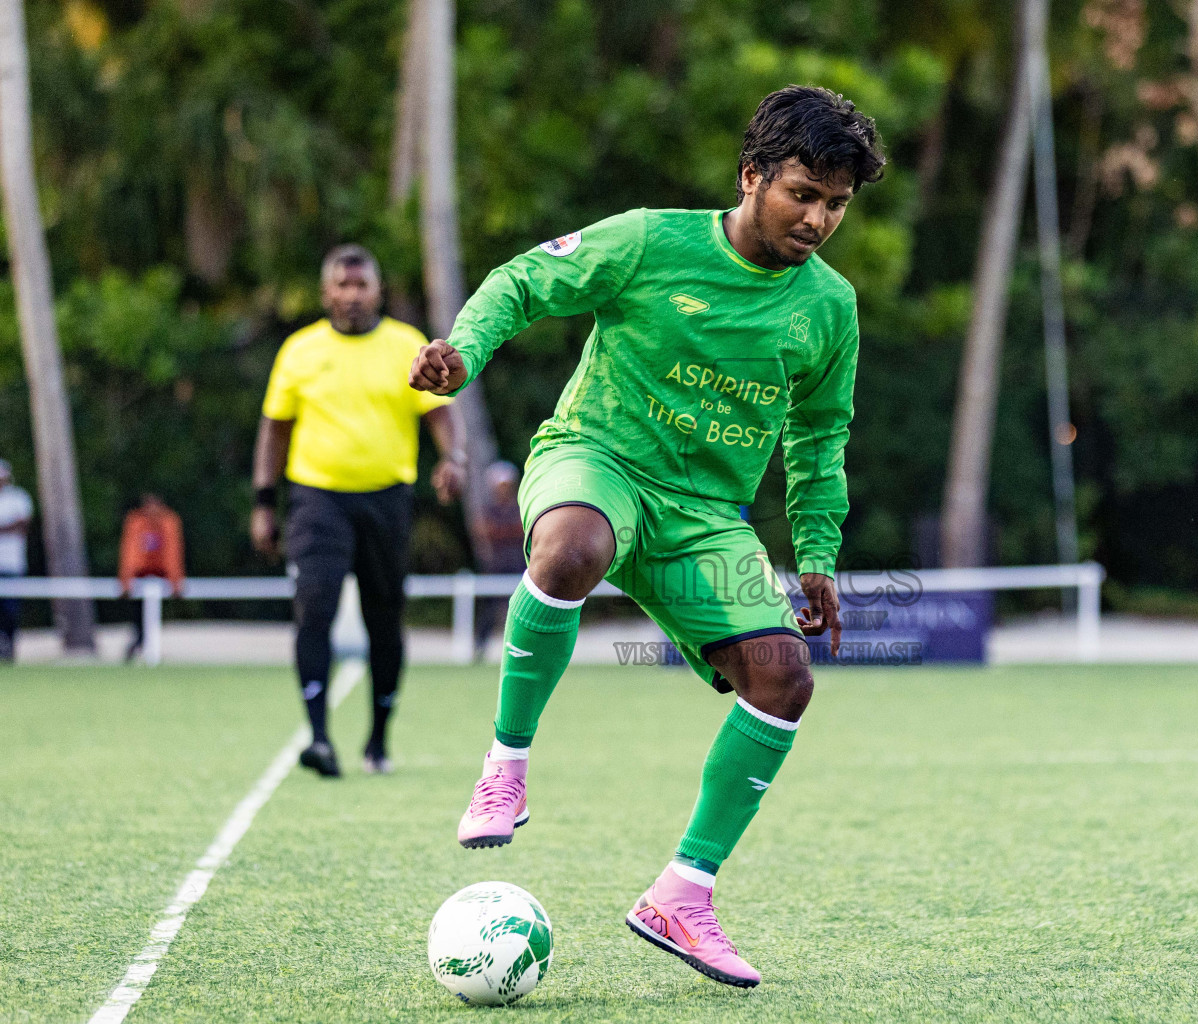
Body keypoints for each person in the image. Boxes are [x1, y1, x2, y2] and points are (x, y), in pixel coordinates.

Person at [410, 86, 883, 987]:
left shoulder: (830, 308)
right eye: (802, 194)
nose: (819, 218)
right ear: (750, 177)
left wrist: (817, 554)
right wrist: (463, 351)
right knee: (573, 549)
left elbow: (820, 440)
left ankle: (684, 895)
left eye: (836, 204)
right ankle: (505, 766)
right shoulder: (647, 239)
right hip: (597, 459)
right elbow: (521, 283)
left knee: (784, 682)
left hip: (705, 518)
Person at [253, 244, 466, 778]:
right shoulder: (299, 351)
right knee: (315, 609)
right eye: (341, 286)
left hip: (387, 501)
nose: (351, 295)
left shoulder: (406, 344)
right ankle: (320, 738)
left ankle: (377, 740)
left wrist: (454, 459)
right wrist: (263, 502)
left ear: (377, 291)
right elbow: (274, 432)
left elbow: (440, 414)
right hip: (316, 500)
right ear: (326, 292)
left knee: (384, 619)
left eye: (361, 285)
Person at [118, 493, 186, 662]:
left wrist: (176, 581)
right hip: (140, 577)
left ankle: (146, 646)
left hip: (161, 577)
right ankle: (139, 643)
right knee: (138, 614)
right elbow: (130, 553)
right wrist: (126, 580)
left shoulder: (168, 522)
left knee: (156, 614)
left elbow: (173, 552)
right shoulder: (137, 522)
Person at [473, 461, 527, 658]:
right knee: (488, 609)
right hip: (495, 566)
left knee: (523, 608)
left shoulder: (519, 507)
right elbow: (483, 530)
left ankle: (524, 647)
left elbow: (522, 529)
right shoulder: (490, 509)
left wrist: (499, 531)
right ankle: (479, 647)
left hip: (518, 566)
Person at [0, 459, 32, 663]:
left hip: (12, 564)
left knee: (11, 610)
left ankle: (9, 647)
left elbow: (23, 523)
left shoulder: (18, 497)